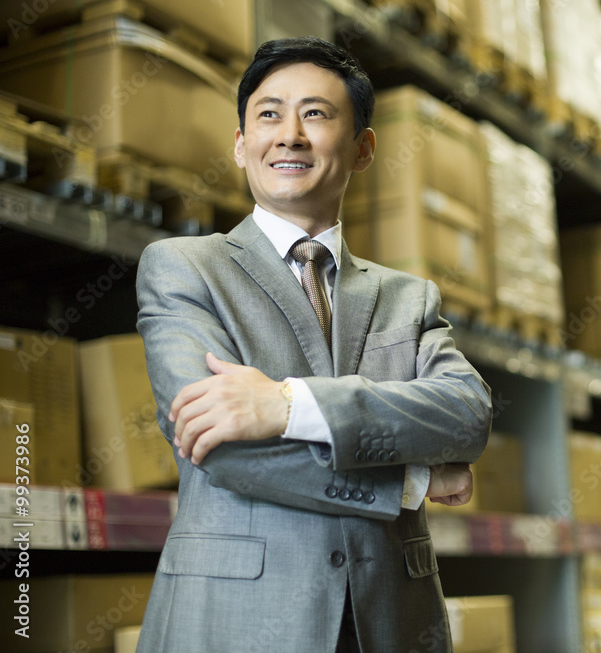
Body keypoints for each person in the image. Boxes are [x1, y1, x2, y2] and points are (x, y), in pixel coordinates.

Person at [134, 36, 492, 652]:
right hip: (237, 623)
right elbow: (220, 449)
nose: (290, 134)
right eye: (268, 114)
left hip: (390, 626)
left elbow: (467, 414)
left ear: (363, 149)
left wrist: (289, 405)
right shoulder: (183, 268)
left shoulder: (409, 298)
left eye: (316, 114)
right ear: (241, 144)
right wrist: (410, 478)